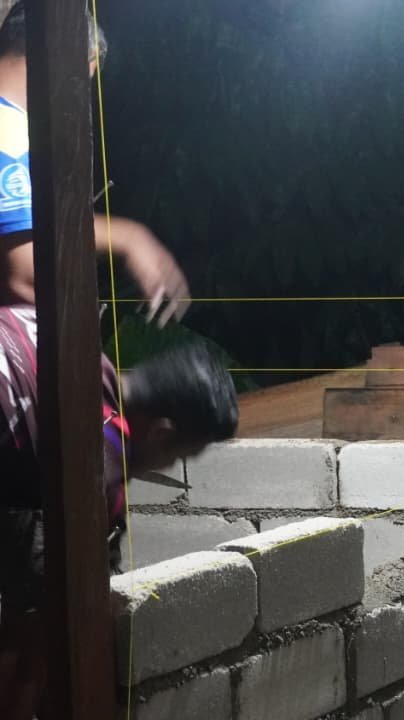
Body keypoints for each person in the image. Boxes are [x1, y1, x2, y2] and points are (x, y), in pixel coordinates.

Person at [0, 303, 239, 720]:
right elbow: (31, 637)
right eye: (181, 455)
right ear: (162, 433)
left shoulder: (83, 357)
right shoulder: (88, 469)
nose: (170, 467)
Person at [0, 1, 190, 325]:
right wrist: (126, 237)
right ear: (59, 60)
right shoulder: (8, 128)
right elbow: (25, 276)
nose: (79, 101)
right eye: (81, 83)